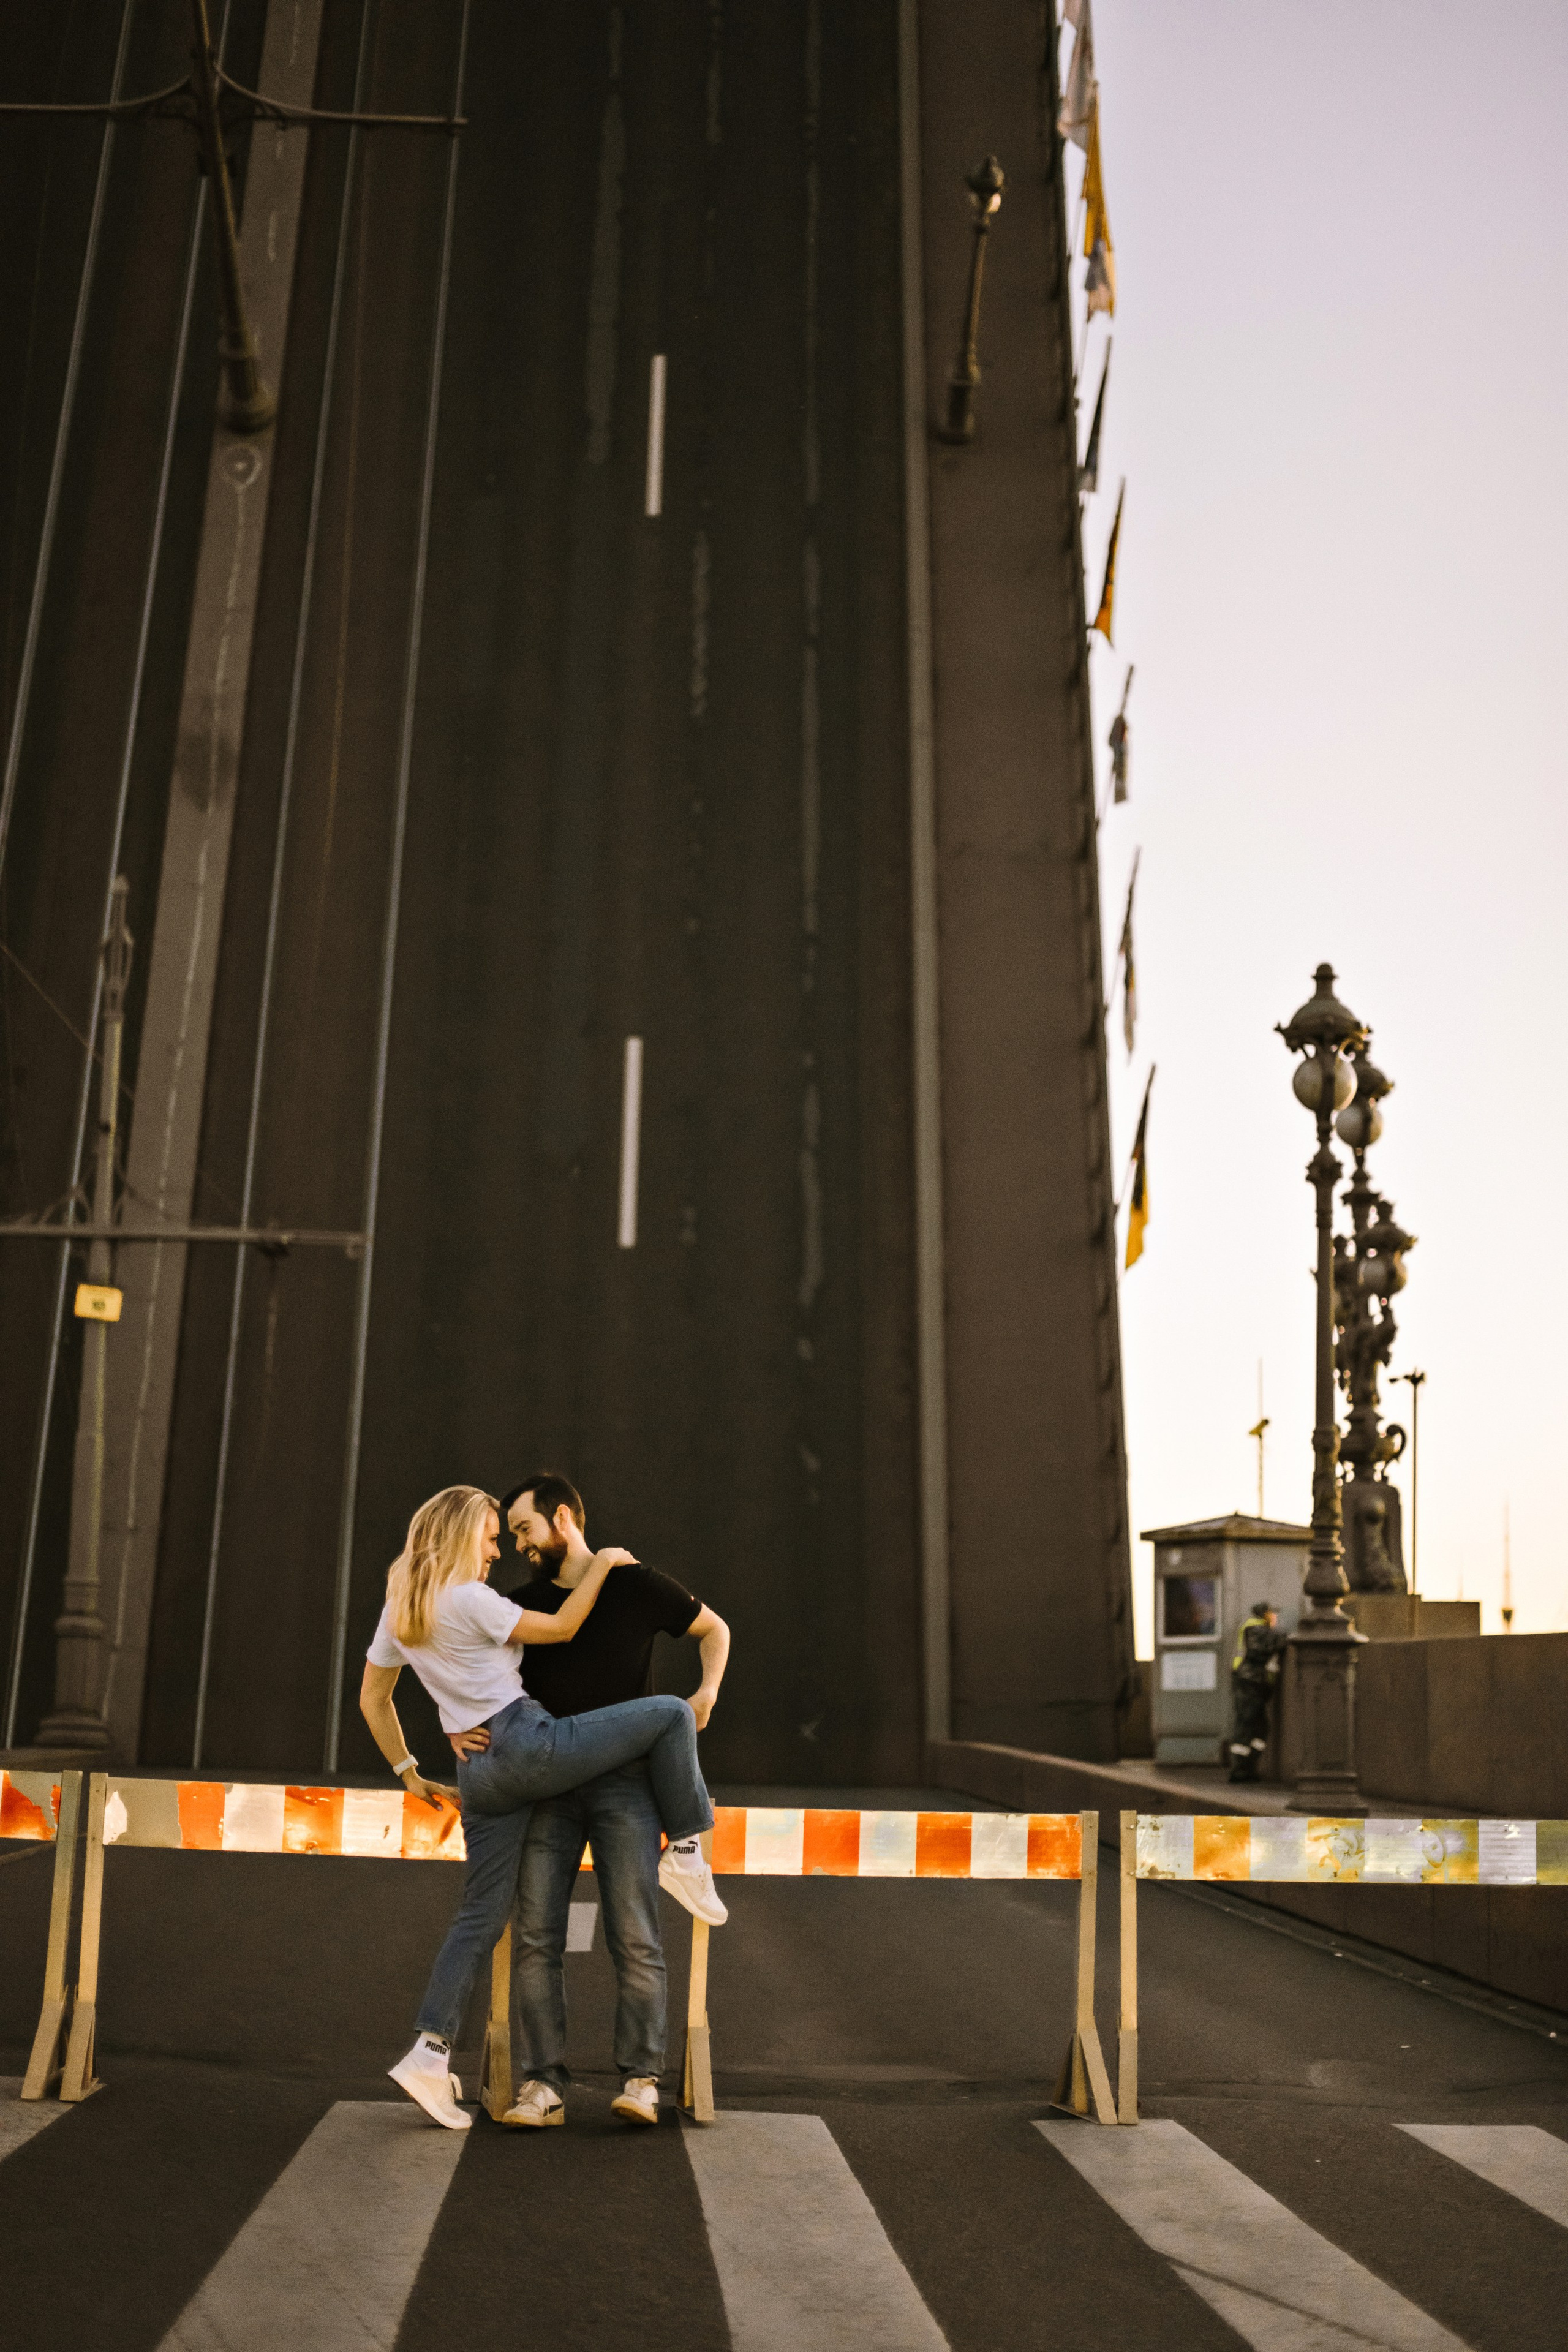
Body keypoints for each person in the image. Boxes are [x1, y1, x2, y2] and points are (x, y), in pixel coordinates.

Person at [358, 1485, 727, 2132]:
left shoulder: (402, 1605)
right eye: (495, 1536)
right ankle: (690, 1847)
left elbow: (375, 1698)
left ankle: (429, 2050)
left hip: (486, 1775)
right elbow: (560, 1628)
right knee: (671, 1711)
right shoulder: (484, 1600)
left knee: (481, 1918)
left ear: (561, 1517)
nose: (505, 1549)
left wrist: (411, 1767)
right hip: (533, 1753)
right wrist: (609, 1560)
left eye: (518, 1532)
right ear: (458, 1536)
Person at [1227, 1600, 1287, 1781]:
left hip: (1254, 1683)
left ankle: (1249, 1767)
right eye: (1272, 1614)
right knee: (1246, 1724)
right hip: (1248, 1682)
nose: (1275, 1617)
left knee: (1260, 1727)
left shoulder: (1258, 1629)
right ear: (1265, 1614)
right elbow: (1260, 1649)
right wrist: (1282, 1637)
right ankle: (1239, 1770)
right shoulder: (1254, 1628)